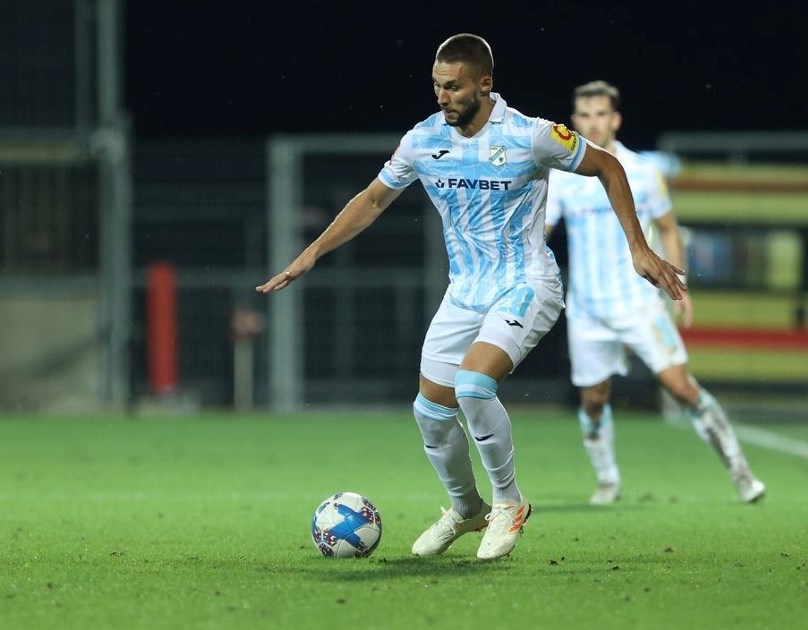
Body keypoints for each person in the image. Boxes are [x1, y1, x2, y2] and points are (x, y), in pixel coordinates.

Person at [257, 34, 685, 560]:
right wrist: (313, 252)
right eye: (437, 86)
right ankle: (466, 509)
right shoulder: (422, 140)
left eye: (453, 86)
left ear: (485, 84)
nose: (442, 96)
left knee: (473, 387)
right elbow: (372, 200)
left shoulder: (532, 136)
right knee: (429, 413)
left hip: (527, 283)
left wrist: (638, 248)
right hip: (465, 293)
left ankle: (510, 504)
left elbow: (609, 167)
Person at [545, 81, 765, 505]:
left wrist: (678, 287)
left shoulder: (643, 171)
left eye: (600, 114)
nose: (593, 122)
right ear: (574, 122)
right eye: (585, 115)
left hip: (639, 304)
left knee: (681, 388)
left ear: (615, 119)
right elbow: (543, 231)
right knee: (593, 401)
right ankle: (608, 480)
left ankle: (741, 471)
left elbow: (666, 226)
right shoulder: (563, 177)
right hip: (588, 310)